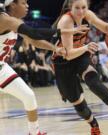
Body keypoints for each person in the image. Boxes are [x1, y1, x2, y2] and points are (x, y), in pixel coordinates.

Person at [0, 0, 88, 135]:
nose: (27, 6)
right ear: (12, 5)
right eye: (23, 3)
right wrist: (69, 30)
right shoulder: (5, 19)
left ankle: (34, 133)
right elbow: (34, 32)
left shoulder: (14, 21)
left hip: (2, 67)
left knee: (28, 96)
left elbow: (34, 40)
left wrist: (55, 48)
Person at [52, 0, 108, 134]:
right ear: (70, 7)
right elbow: (68, 54)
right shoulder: (66, 21)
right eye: (77, 8)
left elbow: (105, 27)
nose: (81, 11)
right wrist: (86, 47)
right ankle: (94, 125)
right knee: (78, 103)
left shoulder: (88, 15)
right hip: (63, 60)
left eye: (84, 7)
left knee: (93, 82)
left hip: (81, 55)